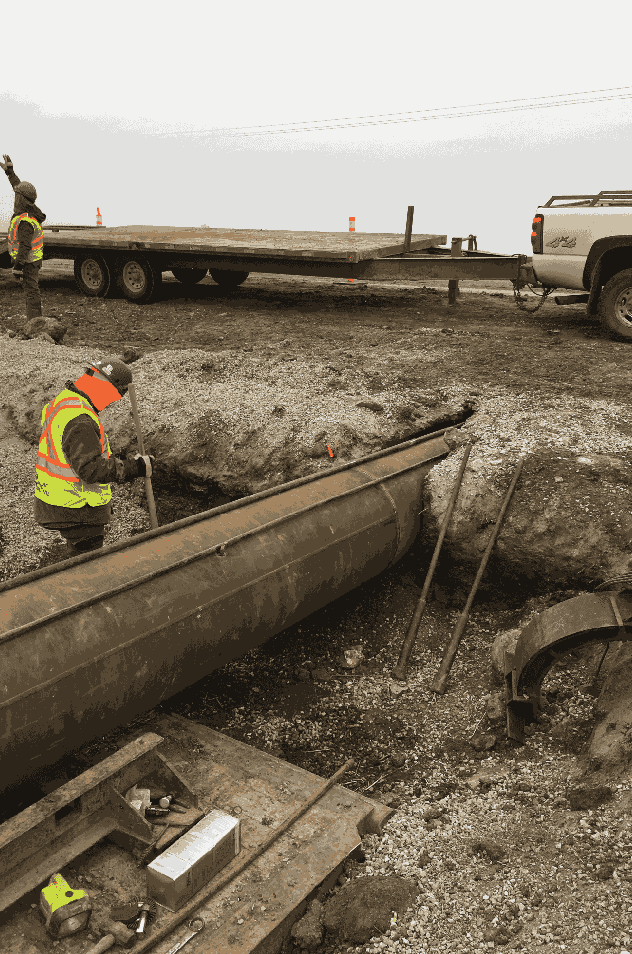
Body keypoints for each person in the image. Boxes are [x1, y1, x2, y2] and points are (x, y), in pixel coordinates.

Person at [34, 357, 156, 557]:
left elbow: (71, 451)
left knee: (79, 559)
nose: (112, 402)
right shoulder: (80, 419)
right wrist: (136, 467)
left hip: (54, 500)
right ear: (108, 389)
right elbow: (90, 469)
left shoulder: (65, 401)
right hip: (75, 507)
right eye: (116, 396)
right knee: (86, 566)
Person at [1, 153, 48, 321]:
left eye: (16, 196)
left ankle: (35, 323)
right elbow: (19, 188)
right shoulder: (30, 209)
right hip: (32, 260)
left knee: (31, 291)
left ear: (21, 199)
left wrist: (17, 266)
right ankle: (35, 321)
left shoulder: (25, 221)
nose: (15, 197)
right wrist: (10, 173)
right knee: (31, 290)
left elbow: (25, 246)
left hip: (28, 261)